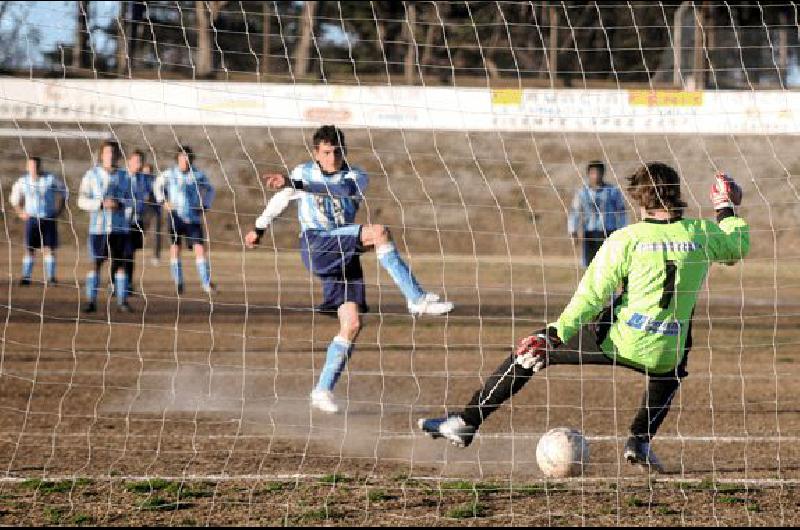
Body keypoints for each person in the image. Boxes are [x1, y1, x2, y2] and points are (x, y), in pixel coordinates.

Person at [419, 163, 749, 473]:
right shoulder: (702, 233)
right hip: (665, 349)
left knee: (530, 352)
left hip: (619, 339)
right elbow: (736, 247)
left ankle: (467, 421)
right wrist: (724, 205)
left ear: (637, 198)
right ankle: (639, 441)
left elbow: (590, 297)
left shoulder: (625, 240)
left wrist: (553, 334)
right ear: (676, 193)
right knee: (673, 367)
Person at [245, 125, 454, 414]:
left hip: (344, 248)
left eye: (338, 151)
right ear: (316, 153)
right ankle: (416, 299)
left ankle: (322, 389)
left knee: (352, 323)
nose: (333, 158)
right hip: (317, 244)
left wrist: (294, 184)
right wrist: (259, 227)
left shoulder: (356, 176)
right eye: (327, 153)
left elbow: (340, 189)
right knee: (379, 232)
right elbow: (281, 198)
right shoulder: (303, 172)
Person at [78, 141, 134, 313]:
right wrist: (101, 204)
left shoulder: (125, 176)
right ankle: (91, 301)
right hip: (98, 228)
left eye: (114, 153)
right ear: (102, 155)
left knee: (121, 264)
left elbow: (133, 200)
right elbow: (81, 201)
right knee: (95, 263)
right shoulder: (91, 175)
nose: (111, 155)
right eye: (108, 152)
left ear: (118, 156)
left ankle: (122, 301)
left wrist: (121, 204)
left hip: (120, 228)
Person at [154, 146, 215, 295]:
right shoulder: (169, 174)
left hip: (193, 217)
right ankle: (178, 281)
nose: (185, 160)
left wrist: (205, 205)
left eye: (187, 157)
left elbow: (210, 189)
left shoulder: (198, 175)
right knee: (175, 248)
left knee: (199, 248)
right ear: (178, 158)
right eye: (182, 157)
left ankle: (206, 283)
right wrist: (163, 201)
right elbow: (157, 185)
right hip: (175, 216)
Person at [9, 156, 68, 286]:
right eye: (31, 166)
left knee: (49, 248)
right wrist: (20, 212)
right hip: (32, 219)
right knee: (29, 248)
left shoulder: (50, 179)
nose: (34, 168)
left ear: (40, 166)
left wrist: (60, 210)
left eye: (36, 166)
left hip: (48, 218)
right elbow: (14, 199)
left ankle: (51, 278)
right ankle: (26, 277)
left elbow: (64, 192)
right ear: (27, 167)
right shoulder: (23, 181)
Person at [568, 160, 627, 267]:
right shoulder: (582, 192)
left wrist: (622, 230)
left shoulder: (612, 191)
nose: (596, 176)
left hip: (608, 232)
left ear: (603, 173)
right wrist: (573, 230)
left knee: (608, 264)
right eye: (593, 173)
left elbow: (621, 211)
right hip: (589, 232)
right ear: (588, 174)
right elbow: (574, 211)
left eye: (598, 173)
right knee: (590, 265)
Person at [124, 150, 156, 295]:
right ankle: (118, 283)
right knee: (122, 253)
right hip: (121, 221)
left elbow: (154, 192)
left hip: (137, 221)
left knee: (131, 254)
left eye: (140, 161)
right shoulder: (122, 177)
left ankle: (127, 283)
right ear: (129, 162)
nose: (138, 164)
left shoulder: (145, 179)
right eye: (136, 160)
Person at [141, 162, 162, 266]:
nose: (147, 173)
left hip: (154, 212)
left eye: (149, 171)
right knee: (139, 234)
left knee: (155, 235)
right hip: (142, 211)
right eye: (145, 171)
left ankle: (156, 256)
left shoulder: (156, 180)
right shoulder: (139, 180)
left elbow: (162, 193)